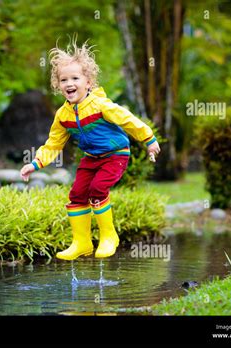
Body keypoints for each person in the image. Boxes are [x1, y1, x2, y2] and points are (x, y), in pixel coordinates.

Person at [20, 40, 160, 260]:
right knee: (76, 195)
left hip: (115, 155)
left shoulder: (100, 105)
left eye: (75, 78)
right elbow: (54, 143)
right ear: (58, 85)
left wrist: (148, 138)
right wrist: (35, 163)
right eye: (63, 79)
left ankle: (109, 236)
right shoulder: (63, 115)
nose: (69, 83)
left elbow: (127, 120)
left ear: (88, 81)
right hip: (91, 158)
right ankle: (82, 242)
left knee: (97, 189)